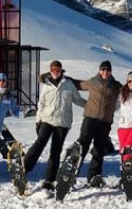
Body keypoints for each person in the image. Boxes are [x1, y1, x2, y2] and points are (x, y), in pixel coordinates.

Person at [24, 60, 86, 191]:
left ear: (61, 71)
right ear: (50, 71)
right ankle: (24, 168)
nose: (55, 73)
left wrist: (92, 106)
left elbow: (78, 100)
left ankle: (49, 180)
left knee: (55, 151)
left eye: (58, 70)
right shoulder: (46, 85)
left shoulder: (68, 84)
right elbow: (41, 104)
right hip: (47, 119)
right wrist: (38, 120)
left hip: (62, 122)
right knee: (39, 143)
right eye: (53, 70)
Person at [73, 60, 122, 186]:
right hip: (90, 119)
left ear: (111, 71)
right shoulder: (93, 82)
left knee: (99, 149)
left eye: (107, 70)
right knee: (82, 145)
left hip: (105, 122)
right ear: (99, 70)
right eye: (103, 69)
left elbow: (130, 89)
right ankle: (71, 173)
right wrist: (58, 77)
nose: (105, 72)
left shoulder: (116, 86)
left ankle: (94, 176)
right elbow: (77, 84)